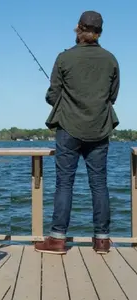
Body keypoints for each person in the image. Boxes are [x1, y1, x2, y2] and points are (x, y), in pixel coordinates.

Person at [34, 10, 120, 255]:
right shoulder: (111, 59)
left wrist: (67, 104)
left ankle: (57, 239)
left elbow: (52, 95)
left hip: (68, 130)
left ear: (79, 29)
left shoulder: (64, 59)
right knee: (99, 184)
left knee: (64, 184)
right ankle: (102, 240)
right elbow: (112, 96)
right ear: (99, 32)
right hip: (100, 130)